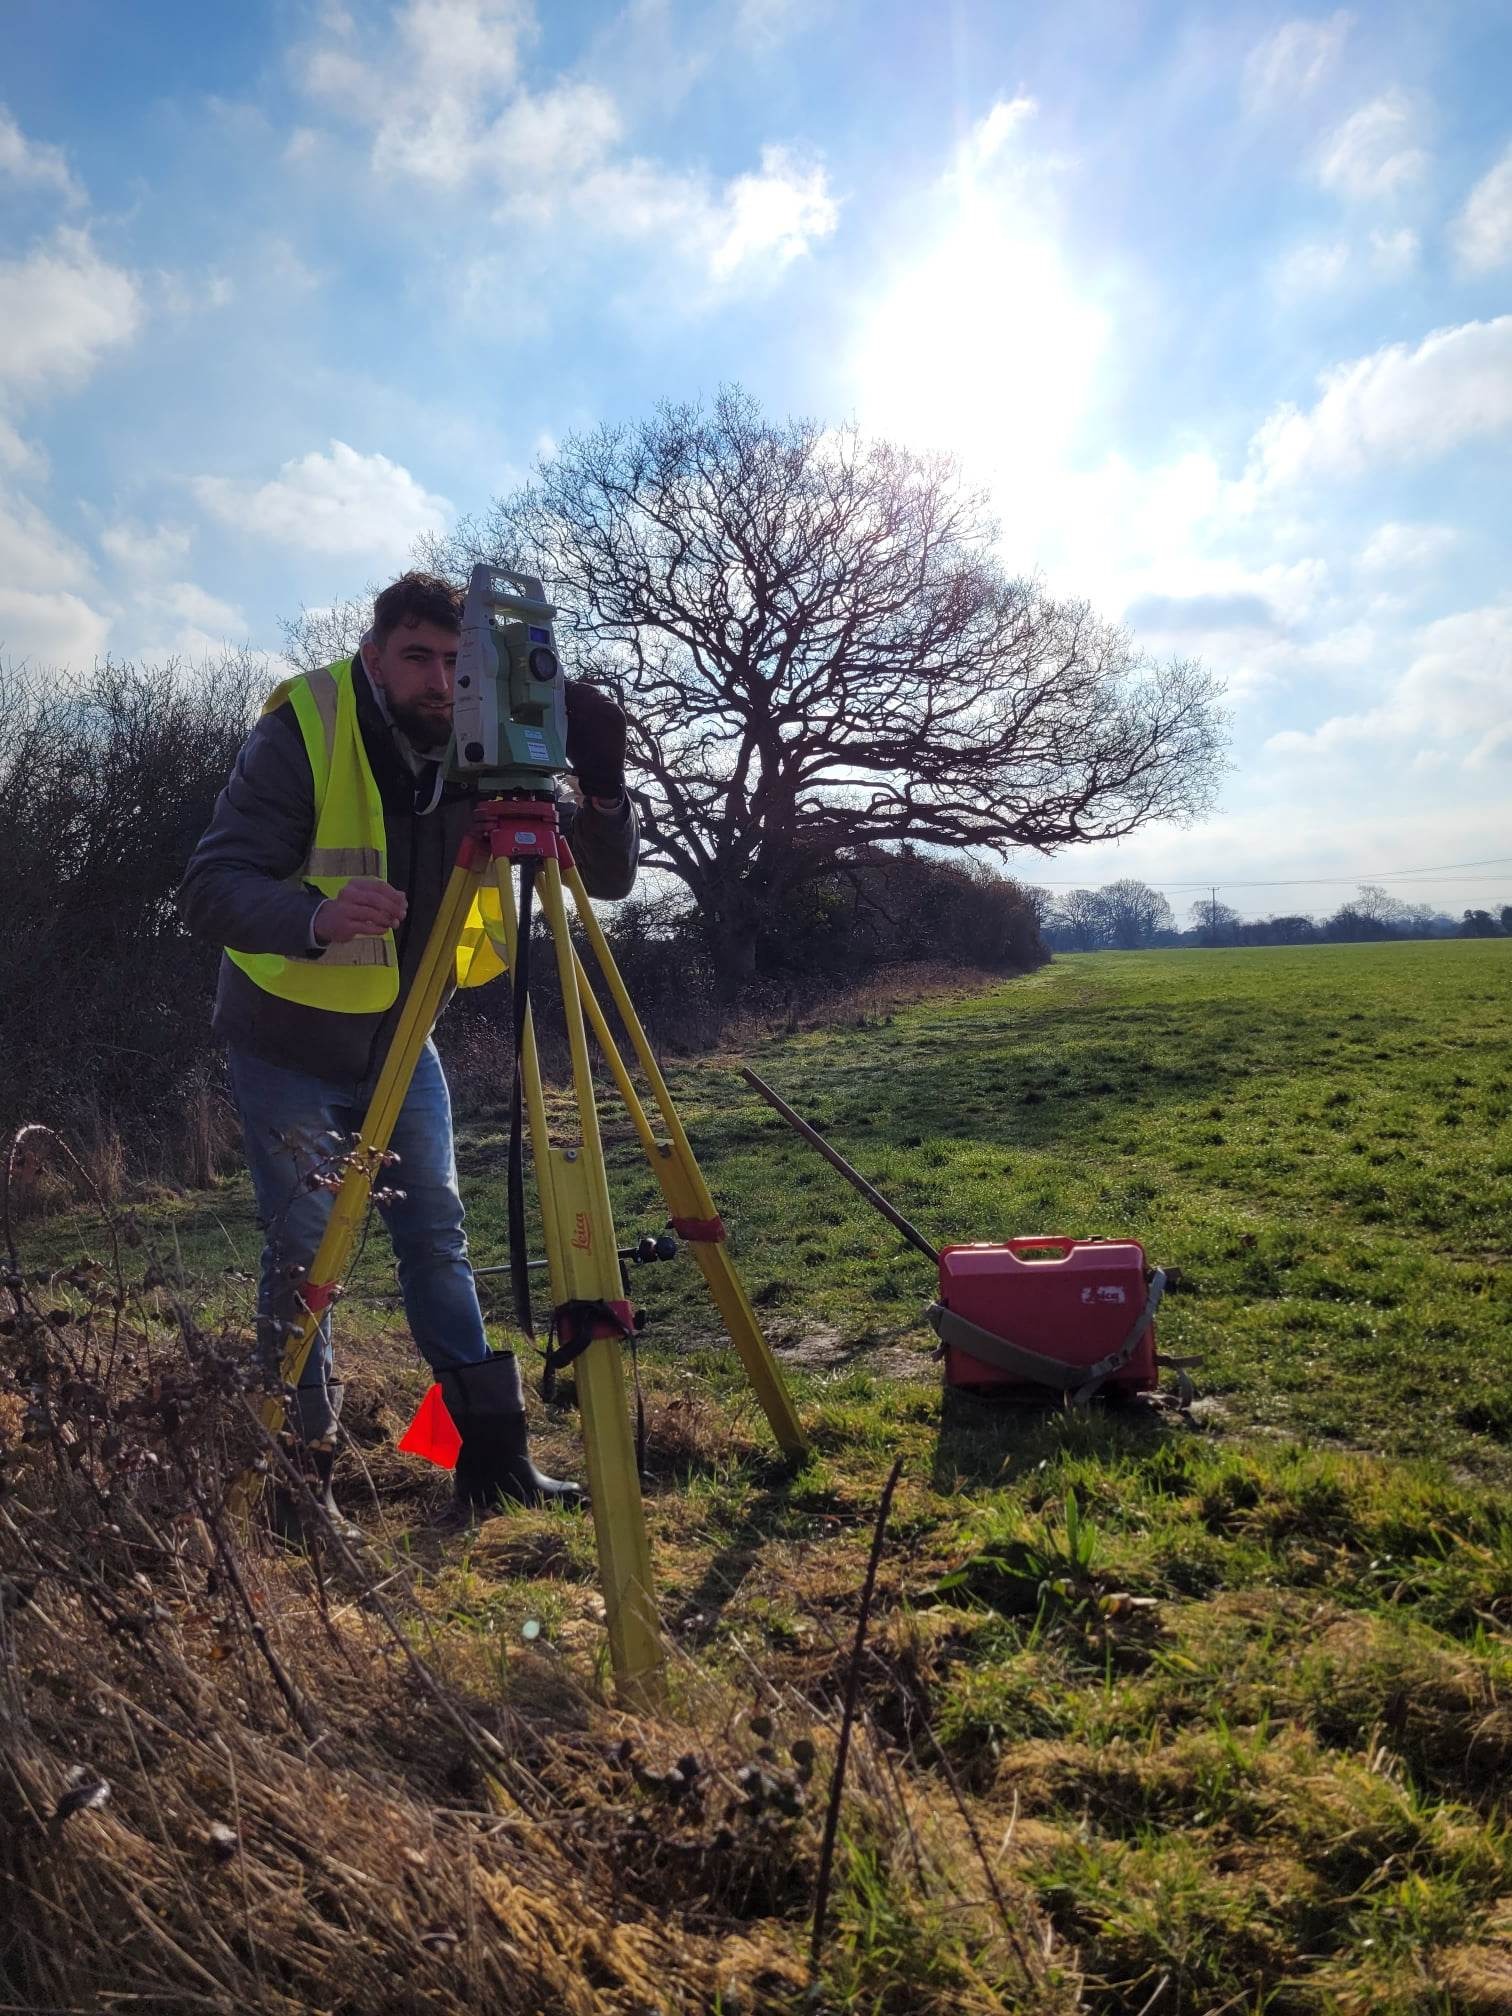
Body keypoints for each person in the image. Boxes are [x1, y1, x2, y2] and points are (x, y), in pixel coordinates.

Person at [180, 571, 637, 1530]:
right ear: (375, 655)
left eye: (456, 661)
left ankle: (491, 1463)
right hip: (284, 1036)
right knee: (306, 1250)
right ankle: (299, 1482)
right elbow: (211, 885)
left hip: (402, 1034)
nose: (440, 680)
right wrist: (314, 916)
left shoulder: (490, 733)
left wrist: (601, 788)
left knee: (436, 1236)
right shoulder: (307, 726)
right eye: (418, 657)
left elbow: (606, 880)